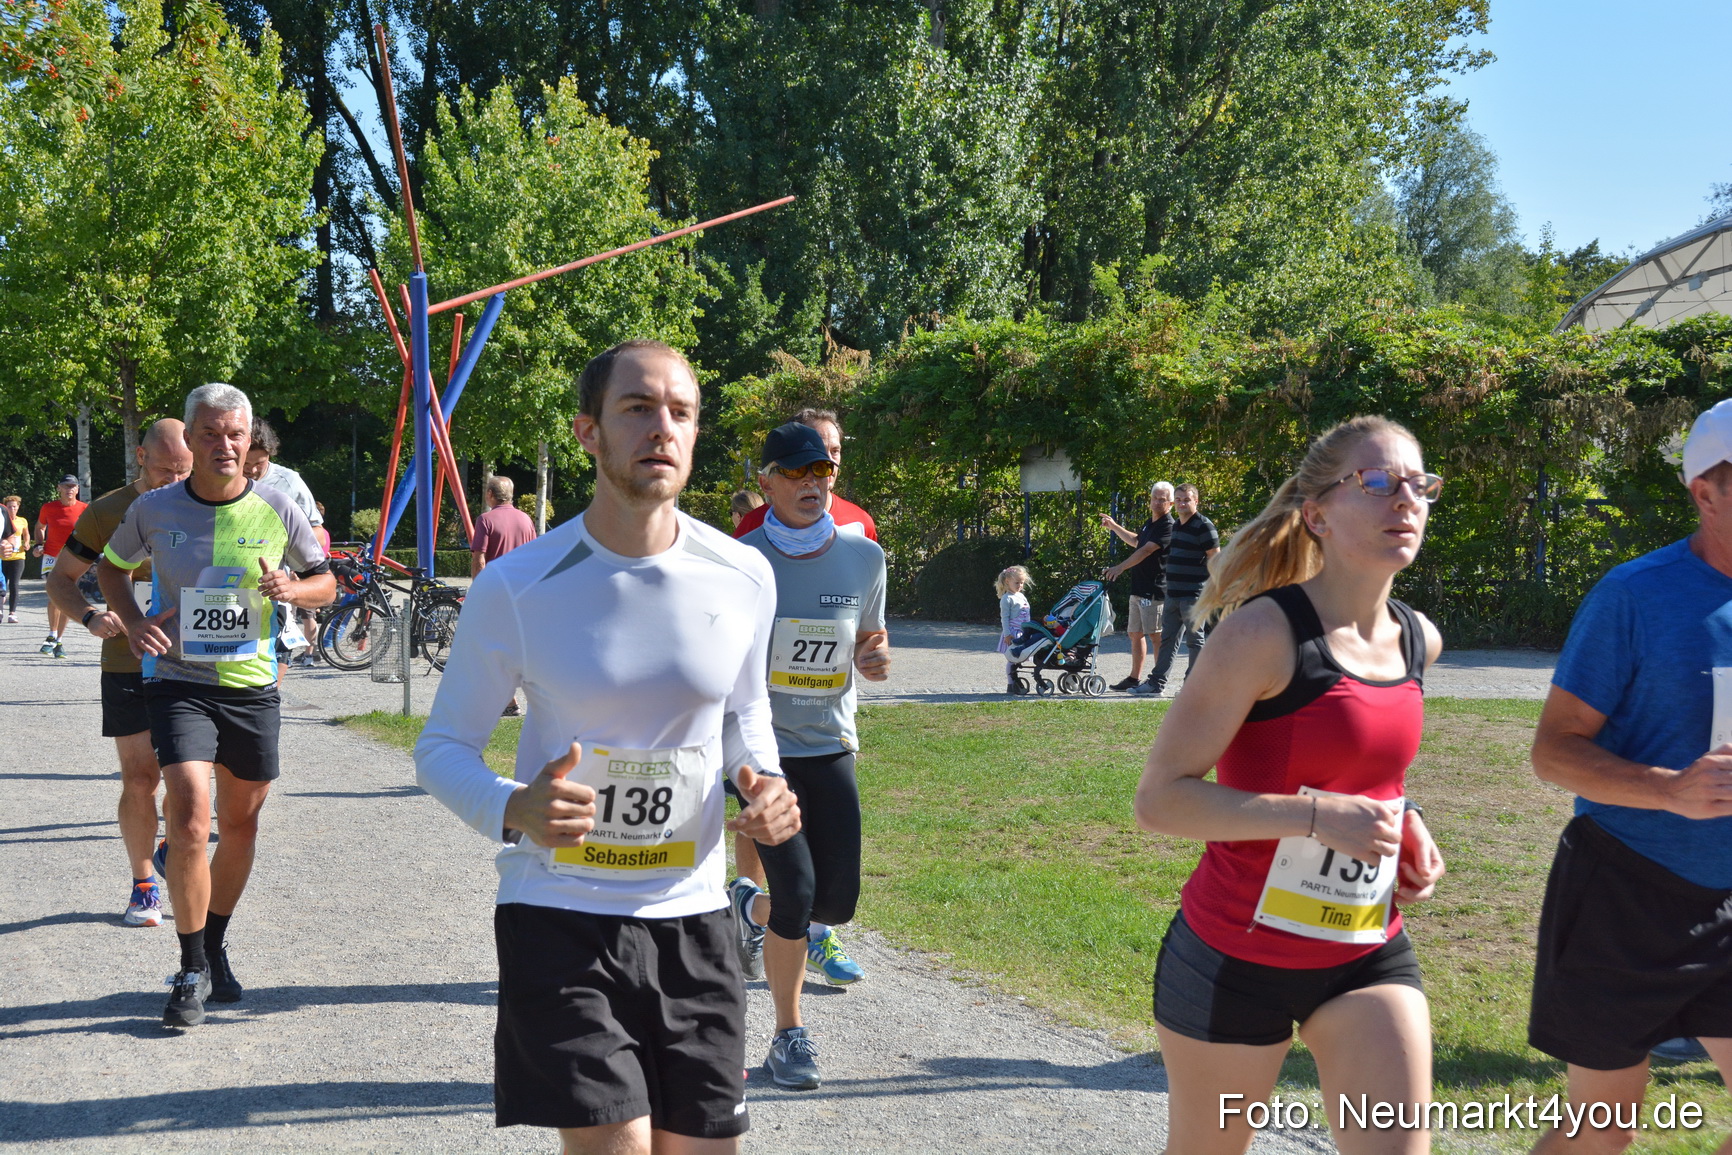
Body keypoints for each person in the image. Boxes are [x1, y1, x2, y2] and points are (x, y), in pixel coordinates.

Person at [414, 339, 801, 1154]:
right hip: (560, 912)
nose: (662, 428)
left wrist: (757, 777)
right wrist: (513, 806)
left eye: (682, 413)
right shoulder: (517, 586)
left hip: (693, 914)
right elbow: (443, 745)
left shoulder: (743, 574)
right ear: (589, 431)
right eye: (638, 408)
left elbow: (743, 712)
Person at [1132, 416, 1446, 1155]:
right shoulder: (1262, 636)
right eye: (1377, 481)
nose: (1405, 499)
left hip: (1364, 948)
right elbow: (1161, 798)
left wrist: (1410, 821)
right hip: (1235, 959)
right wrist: (1313, 817)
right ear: (1317, 514)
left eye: (1418, 484)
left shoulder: (1418, 638)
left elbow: (1371, 772)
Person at [1525, 397, 1732, 1154]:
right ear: (1703, 491)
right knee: (1604, 1124)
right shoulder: (1635, 595)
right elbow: (1553, 750)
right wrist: (1670, 789)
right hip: (1627, 888)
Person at [98, 383, 334, 1030]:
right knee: (191, 815)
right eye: (211, 434)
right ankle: (190, 965)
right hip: (178, 681)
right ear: (192, 440)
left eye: (235, 434)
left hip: (252, 686)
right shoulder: (154, 508)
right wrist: (130, 618)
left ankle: (215, 940)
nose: (224, 445)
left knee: (242, 825)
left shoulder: (279, 509)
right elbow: (111, 567)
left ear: (248, 438)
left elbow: (328, 582)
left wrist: (293, 585)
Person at [728, 420, 890, 1090]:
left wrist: (875, 657)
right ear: (765, 483)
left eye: (821, 472)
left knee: (837, 902)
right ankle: (788, 1034)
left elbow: (871, 637)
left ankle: (745, 909)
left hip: (830, 744)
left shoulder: (863, 557)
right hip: (763, 751)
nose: (812, 484)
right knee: (795, 892)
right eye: (794, 473)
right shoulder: (741, 560)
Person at [48, 420, 192, 928]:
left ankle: (178, 856)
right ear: (140, 457)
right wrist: (90, 615)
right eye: (164, 471)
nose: (174, 482)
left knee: (186, 782)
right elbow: (60, 578)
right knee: (140, 777)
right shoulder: (108, 511)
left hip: (196, 664)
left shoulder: (208, 504)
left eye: (183, 471)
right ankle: (144, 886)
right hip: (128, 661)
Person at [731, 408, 877, 542]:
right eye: (814, 451)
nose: (827, 460)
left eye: (834, 451)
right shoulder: (753, 525)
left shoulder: (860, 523)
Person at [244, 418, 323, 665]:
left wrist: (302, 568)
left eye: (259, 463)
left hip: (271, 590)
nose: (252, 470)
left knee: (273, 662)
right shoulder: (218, 477)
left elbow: (316, 531)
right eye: (245, 463)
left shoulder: (289, 482)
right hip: (225, 587)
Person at [1135, 482, 1220, 697]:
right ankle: (1156, 684)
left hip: (1194, 595)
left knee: (1195, 641)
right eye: (1179, 499)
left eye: (1186, 500)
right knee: (1167, 641)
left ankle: (1193, 687)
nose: (1182, 503)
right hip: (1172, 594)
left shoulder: (1204, 526)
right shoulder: (1176, 526)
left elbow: (1216, 559)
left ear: (1196, 501)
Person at [1100, 483, 1174, 692]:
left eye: (1162, 499)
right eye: (1155, 498)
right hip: (1138, 588)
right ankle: (1134, 678)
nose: (1158, 502)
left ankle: (1158, 681)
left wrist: (1120, 567)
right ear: (1150, 500)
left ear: (1170, 503)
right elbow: (1137, 542)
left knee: (1155, 635)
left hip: (1154, 590)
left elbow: (1146, 551)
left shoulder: (1168, 525)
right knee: (1135, 633)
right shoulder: (1150, 523)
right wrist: (1114, 526)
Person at [34, 475, 88, 656]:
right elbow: (40, 526)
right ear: (59, 488)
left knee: (66, 597)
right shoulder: (48, 508)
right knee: (55, 596)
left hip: (73, 558)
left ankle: (57, 640)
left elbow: (91, 532)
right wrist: (38, 545)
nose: (69, 489)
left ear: (77, 489)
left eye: (73, 486)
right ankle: (52, 634)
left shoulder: (84, 509)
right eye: (66, 486)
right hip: (51, 556)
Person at [469, 474, 537, 577]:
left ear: (490, 493)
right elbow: (534, 556)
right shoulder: (526, 519)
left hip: (496, 584)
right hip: (521, 584)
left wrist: (478, 588)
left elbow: (479, 561)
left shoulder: (485, 520)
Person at [996, 565, 1033, 694]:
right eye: (1017, 583)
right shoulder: (1007, 599)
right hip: (1013, 633)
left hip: (1023, 632)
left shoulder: (1021, 596)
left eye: (1021, 583)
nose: (1020, 585)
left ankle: (1016, 679)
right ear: (1007, 581)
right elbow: (1004, 618)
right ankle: (1011, 683)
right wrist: (1007, 634)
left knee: (1020, 657)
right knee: (1012, 658)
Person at [2, 494, 25, 622]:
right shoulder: (2, 520)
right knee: (2, 586)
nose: (12, 509)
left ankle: (12, 613)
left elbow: (26, 535)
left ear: (18, 507)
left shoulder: (22, 521)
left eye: (14, 507)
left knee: (14, 585)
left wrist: (27, 543)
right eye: (9, 507)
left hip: (18, 557)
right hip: (3, 557)